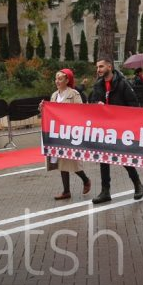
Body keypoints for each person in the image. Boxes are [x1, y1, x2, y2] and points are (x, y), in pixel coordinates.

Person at [89, 57, 143, 204]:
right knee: (103, 159)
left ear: (109, 66)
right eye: (97, 67)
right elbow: (91, 102)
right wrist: (97, 104)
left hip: (120, 127)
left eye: (101, 67)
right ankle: (105, 191)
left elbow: (133, 104)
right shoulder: (98, 85)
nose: (98, 70)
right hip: (104, 128)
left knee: (123, 157)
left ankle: (137, 184)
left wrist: (120, 116)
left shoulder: (122, 83)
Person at [41, 69, 92, 200]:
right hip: (58, 133)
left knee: (73, 161)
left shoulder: (74, 94)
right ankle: (66, 191)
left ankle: (86, 180)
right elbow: (49, 113)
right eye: (56, 79)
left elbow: (81, 111)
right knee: (61, 162)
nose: (57, 81)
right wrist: (42, 107)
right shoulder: (54, 95)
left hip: (70, 132)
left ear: (67, 80)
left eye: (60, 79)